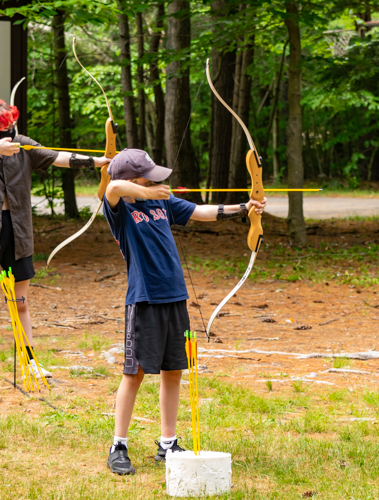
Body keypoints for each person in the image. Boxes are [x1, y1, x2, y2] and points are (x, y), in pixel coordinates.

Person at [101, 149, 267, 475]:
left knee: (174, 370)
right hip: (144, 300)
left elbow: (200, 212)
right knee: (133, 374)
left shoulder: (161, 203)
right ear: (134, 179)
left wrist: (244, 208)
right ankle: (118, 445)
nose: (157, 180)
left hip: (175, 297)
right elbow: (112, 189)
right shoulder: (119, 209)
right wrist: (145, 192)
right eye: (148, 176)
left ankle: (167, 444)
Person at [0, 98, 110, 381]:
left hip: (19, 231)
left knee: (20, 301)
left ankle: (30, 361)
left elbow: (57, 157)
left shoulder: (22, 144)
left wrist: (96, 161)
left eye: (10, 123)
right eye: (4, 125)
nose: (11, 128)